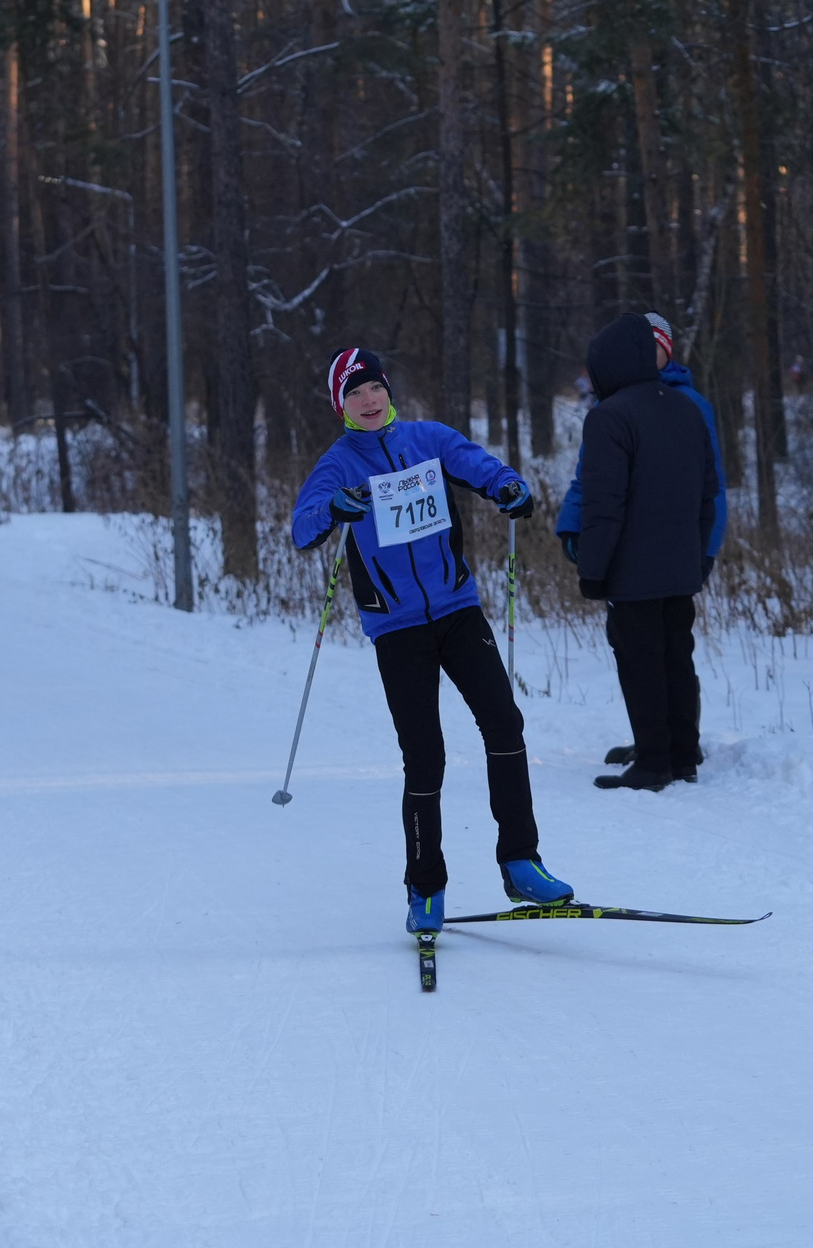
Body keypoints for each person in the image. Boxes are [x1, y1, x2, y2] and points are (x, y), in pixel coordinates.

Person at [288, 347, 573, 933]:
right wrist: (334, 507)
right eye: (354, 393)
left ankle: (521, 862)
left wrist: (509, 486)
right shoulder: (339, 463)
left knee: (504, 723)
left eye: (374, 388)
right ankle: (425, 887)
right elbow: (302, 526)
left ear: (388, 391)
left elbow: (480, 466)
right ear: (341, 405)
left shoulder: (429, 439)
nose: (368, 400)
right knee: (425, 755)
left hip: (457, 610)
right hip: (397, 628)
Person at [556, 312, 726, 782]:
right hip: (680, 565)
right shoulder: (685, 408)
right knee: (676, 656)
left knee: (640, 662)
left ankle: (653, 764)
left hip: (632, 571)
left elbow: (604, 503)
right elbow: (708, 493)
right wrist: (697, 553)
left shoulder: (609, 416)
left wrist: (592, 569)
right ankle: (682, 756)